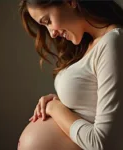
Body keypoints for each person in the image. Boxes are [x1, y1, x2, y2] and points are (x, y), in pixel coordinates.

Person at [17, 0, 123, 150]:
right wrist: (59, 100)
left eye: (48, 21)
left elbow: (104, 145)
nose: (52, 33)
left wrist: (55, 108)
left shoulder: (113, 42)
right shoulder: (89, 45)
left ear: (70, 2)